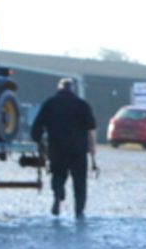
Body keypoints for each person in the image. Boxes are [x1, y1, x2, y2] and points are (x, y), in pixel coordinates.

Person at [31, 78, 98, 217]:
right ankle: (79, 210)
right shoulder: (82, 105)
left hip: (57, 148)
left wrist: (38, 140)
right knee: (80, 182)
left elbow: (36, 127)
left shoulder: (50, 104)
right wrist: (92, 151)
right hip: (78, 150)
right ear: (72, 89)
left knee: (58, 175)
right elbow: (91, 129)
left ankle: (58, 195)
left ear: (59, 89)